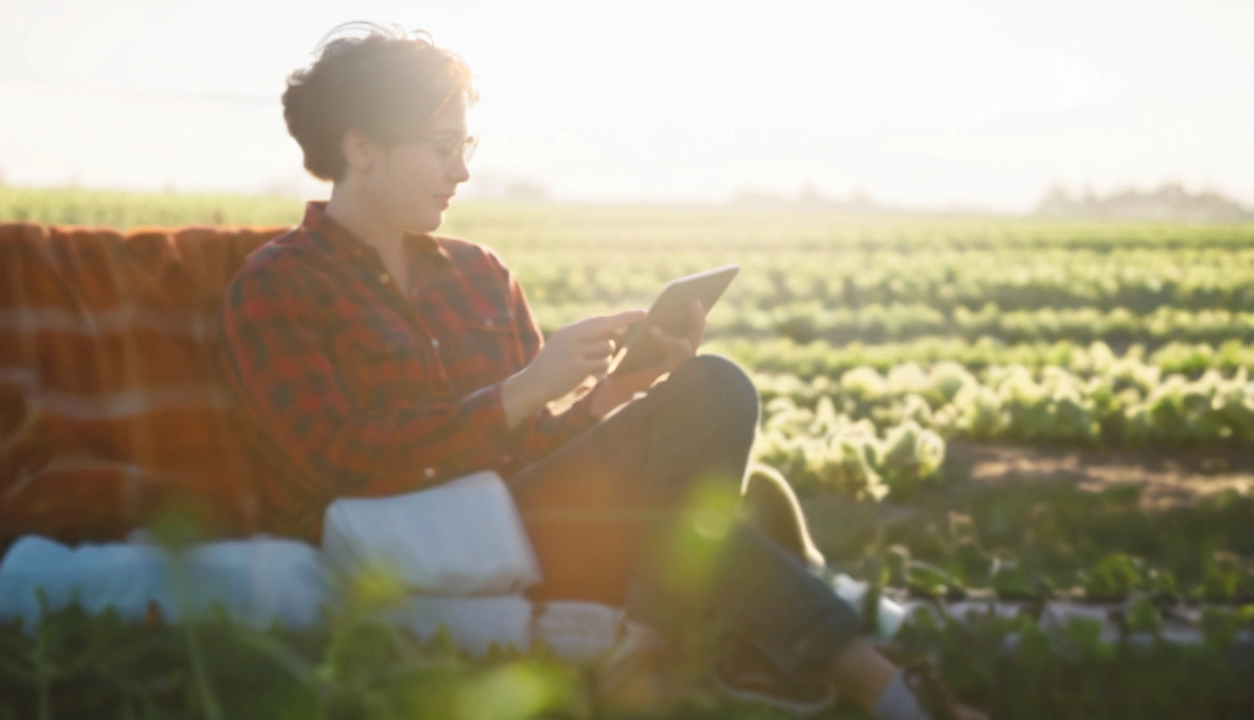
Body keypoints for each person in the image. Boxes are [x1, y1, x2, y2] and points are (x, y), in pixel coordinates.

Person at [214, 21, 989, 720]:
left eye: (467, 150)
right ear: (360, 149)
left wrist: (613, 395)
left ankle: (652, 637)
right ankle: (879, 687)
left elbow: (533, 450)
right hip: (416, 540)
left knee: (714, 385)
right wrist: (522, 391)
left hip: (527, 515)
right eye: (442, 148)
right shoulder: (279, 284)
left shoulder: (480, 273)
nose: (462, 172)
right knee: (687, 520)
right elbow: (339, 459)